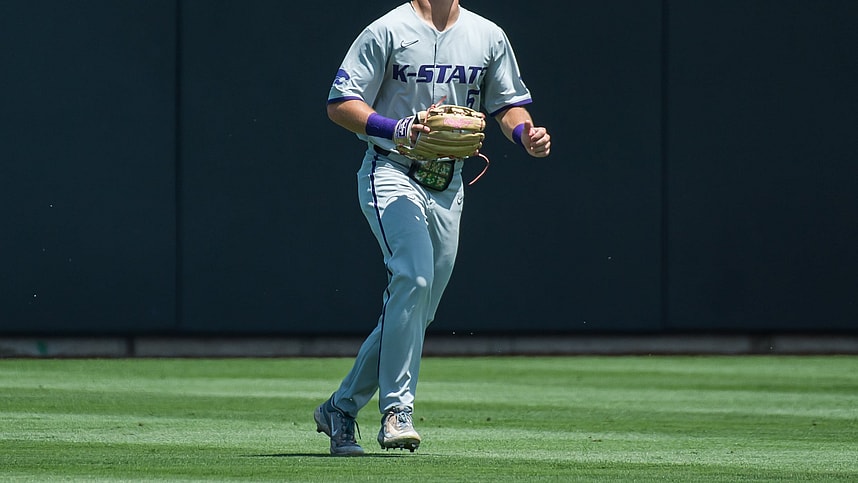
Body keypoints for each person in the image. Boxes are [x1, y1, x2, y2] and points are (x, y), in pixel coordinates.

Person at [314, 0, 551, 456]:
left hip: (448, 183)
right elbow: (340, 104)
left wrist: (526, 135)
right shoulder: (387, 30)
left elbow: (510, 105)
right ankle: (397, 411)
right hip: (391, 170)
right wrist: (394, 126)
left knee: (416, 309)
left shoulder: (487, 35)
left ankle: (340, 408)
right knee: (414, 278)